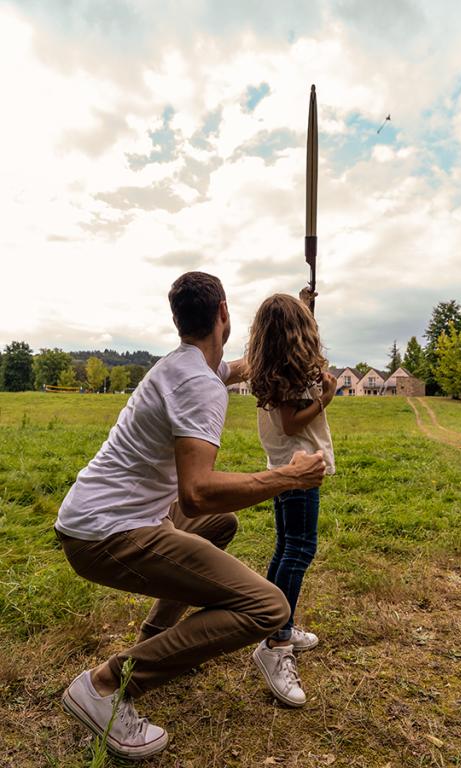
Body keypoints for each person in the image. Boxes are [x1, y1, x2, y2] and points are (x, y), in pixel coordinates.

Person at [54, 271, 326, 761]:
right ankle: (106, 684)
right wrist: (288, 477)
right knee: (267, 608)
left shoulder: (186, 365)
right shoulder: (199, 384)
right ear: (223, 312)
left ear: (178, 319)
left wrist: (297, 315)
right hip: (106, 534)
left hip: (100, 517)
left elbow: (248, 365)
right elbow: (197, 494)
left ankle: (158, 641)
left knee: (222, 526)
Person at [246, 291, 337, 707]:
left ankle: (275, 622)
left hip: (285, 464)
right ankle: (276, 641)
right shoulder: (290, 372)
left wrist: (305, 303)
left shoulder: (277, 364)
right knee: (299, 549)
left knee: (287, 547)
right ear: (296, 334)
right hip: (298, 466)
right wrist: (325, 398)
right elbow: (290, 423)